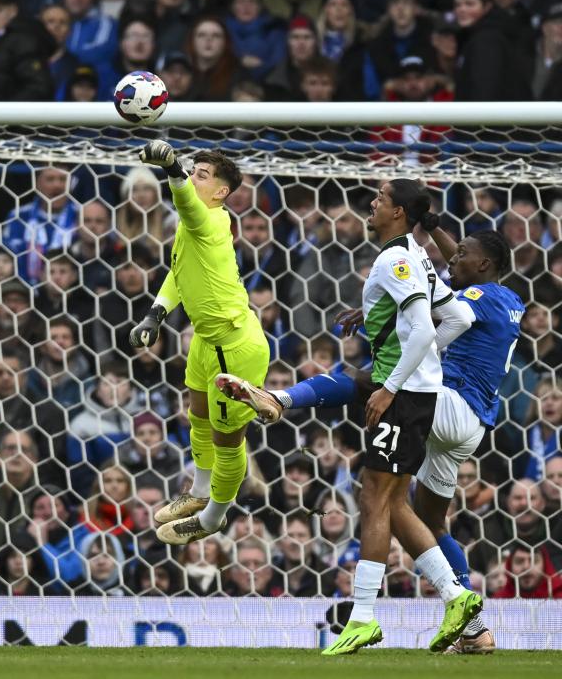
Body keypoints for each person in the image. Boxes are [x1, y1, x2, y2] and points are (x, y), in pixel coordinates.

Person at [231, 225, 522, 652]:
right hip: (469, 425)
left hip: (447, 404)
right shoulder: (509, 297)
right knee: (427, 521)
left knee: (369, 381)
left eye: (462, 255)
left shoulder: (481, 297)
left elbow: (436, 310)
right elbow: (456, 274)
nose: (451, 259)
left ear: (485, 265)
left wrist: (375, 309)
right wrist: (434, 223)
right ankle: (474, 627)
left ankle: (281, 398)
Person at [129, 140, 269, 547]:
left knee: (228, 439)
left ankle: (212, 517)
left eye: (201, 175)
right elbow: (178, 273)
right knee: (198, 417)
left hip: (235, 345)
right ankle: (199, 490)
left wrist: (172, 170)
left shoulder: (210, 221)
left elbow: (187, 204)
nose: (193, 177)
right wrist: (155, 315)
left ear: (221, 192)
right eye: (192, 171)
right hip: (206, 341)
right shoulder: (191, 228)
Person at [452, 0, 532, 101]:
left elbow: (484, 92)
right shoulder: (475, 36)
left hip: (490, 116)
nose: (461, 9)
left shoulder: (487, 40)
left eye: (469, 4)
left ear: (487, 6)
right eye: (457, 5)